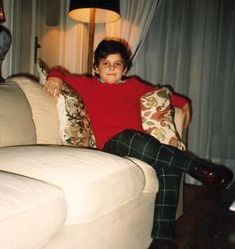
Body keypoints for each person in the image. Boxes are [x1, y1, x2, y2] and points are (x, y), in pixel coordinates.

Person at [44, 39, 233, 249]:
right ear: (96, 67)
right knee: (130, 137)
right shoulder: (88, 85)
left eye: (117, 64)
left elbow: (159, 93)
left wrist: (182, 102)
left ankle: (161, 241)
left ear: (124, 69)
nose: (112, 68)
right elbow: (59, 73)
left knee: (168, 166)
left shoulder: (134, 86)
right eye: (106, 63)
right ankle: (196, 167)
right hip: (112, 146)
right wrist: (54, 78)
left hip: (143, 147)